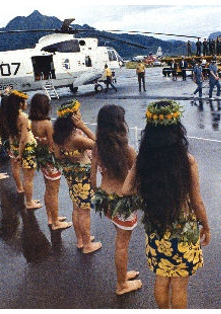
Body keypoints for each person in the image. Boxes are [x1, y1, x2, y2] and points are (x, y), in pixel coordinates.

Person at [119, 100, 210, 308]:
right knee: (179, 286)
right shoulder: (187, 161)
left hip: (156, 227)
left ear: (150, 131)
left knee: (162, 279)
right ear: (177, 129)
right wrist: (206, 226)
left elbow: (126, 190)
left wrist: (142, 177)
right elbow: (197, 201)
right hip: (183, 230)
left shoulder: (144, 160)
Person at [90, 105, 143, 295]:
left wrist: (98, 194)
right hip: (123, 202)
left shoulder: (97, 147)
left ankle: (122, 275)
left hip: (105, 200)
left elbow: (92, 179)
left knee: (119, 238)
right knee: (122, 244)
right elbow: (137, 176)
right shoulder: (127, 150)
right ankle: (121, 285)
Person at [53, 100, 101, 253]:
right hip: (82, 176)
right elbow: (98, 144)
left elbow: (58, 156)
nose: (80, 114)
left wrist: (72, 156)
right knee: (84, 210)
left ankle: (81, 240)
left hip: (71, 175)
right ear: (73, 117)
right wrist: (83, 126)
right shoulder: (75, 137)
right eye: (78, 112)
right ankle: (87, 245)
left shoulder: (59, 135)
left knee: (76, 207)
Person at [29, 94, 72, 230]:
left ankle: (51, 217)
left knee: (48, 189)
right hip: (51, 159)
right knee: (54, 191)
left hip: (42, 159)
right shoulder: (46, 123)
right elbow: (54, 143)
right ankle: (55, 223)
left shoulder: (33, 122)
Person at [0, 90, 43, 209]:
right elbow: (23, 138)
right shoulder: (22, 117)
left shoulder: (9, 116)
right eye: (25, 102)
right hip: (26, 148)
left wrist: (16, 151)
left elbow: (12, 136)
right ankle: (29, 202)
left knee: (25, 176)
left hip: (15, 147)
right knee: (28, 178)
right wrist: (20, 153)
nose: (26, 104)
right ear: (20, 103)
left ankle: (28, 198)